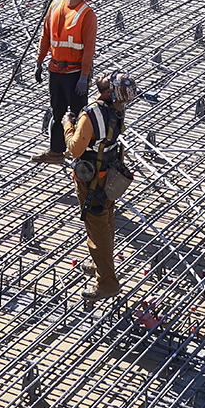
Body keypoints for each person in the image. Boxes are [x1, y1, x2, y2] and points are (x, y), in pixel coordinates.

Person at [62, 70, 138, 303]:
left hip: (92, 181)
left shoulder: (91, 114)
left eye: (109, 81)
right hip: (109, 174)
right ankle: (100, 265)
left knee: (98, 230)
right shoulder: (118, 109)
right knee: (106, 221)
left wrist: (68, 126)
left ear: (109, 92)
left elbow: (74, 149)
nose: (105, 76)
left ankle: (107, 283)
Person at [32, 0, 97, 164]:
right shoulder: (55, 5)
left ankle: (83, 157)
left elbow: (89, 49)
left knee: (79, 115)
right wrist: (39, 60)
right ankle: (56, 152)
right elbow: (46, 35)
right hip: (55, 70)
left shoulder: (87, 15)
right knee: (57, 112)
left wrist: (84, 76)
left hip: (74, 74)